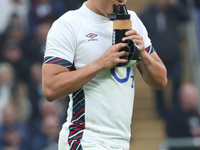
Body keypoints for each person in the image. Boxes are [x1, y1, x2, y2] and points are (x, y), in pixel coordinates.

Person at [42, 0, 167, 149]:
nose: (123, 1)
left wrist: (143, 55)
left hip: (121, 143)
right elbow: (50, 88)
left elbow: (161, 81)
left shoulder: (132, 20)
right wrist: (100, 63)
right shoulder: (69, 24)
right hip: (85, 140)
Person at [139, 0, 189, 119]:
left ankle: (176, 110)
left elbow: (187, 17)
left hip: (174, 56)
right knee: (158, 85)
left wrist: (175, 4)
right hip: (157, 55)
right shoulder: (145, 15)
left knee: (177, 80)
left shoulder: (173, 12)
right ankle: (161, 112)